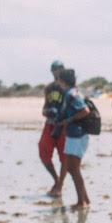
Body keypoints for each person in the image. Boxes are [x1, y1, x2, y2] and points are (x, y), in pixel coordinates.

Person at [55, 69, 90, 209]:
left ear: (62, 81)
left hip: (77, 135)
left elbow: (85, 111)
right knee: (71, 168)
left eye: (58, 79)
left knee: (73, 169)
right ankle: (85, 199)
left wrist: (67, 120)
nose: (57, 82)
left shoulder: (71, 94)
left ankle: (82, 202)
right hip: (75, 134)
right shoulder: (74, 92)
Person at [40, 60, 66, 197]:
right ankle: (56, 179)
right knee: (43, 152)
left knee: (64, 157)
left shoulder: (68, 88)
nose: (57, 71)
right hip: (50, 124)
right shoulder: (48, 88)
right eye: (54, 69)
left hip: (64, 126)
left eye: (59, 68)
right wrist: (46, 111)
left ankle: (59, 185)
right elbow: (44, 107)